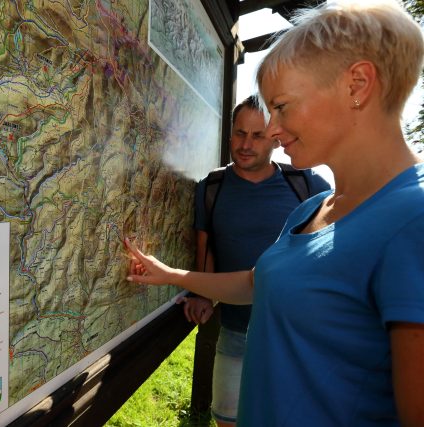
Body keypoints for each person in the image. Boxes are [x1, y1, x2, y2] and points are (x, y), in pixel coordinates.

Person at [125, 1, 424, 425]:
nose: (274, 130)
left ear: (357, 84)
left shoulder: (414, 219)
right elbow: (255, 283)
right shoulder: (310, 208)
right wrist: (171, 275)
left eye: (281, 107)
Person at [181, 95, 330, 426]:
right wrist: (202, 293)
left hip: (293, 334)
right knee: (227, 419)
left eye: (257, 135)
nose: (245, 144)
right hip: (234, 330)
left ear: (275, 138)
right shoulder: (212, 187)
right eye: (239, 133)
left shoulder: (307, 184)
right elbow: (206, 244)